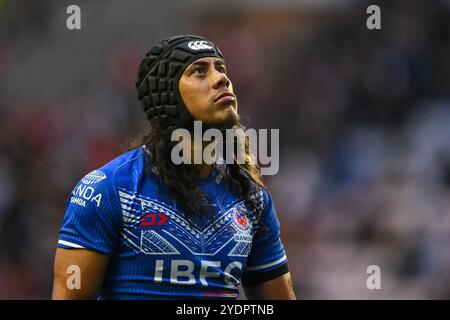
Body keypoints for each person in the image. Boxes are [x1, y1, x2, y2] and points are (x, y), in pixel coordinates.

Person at [51, 35, 296, 300]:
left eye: (221, 69)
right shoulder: (107, 190)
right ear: (168, 96)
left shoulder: (253, 200)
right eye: (199, 72)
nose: (221, 79)